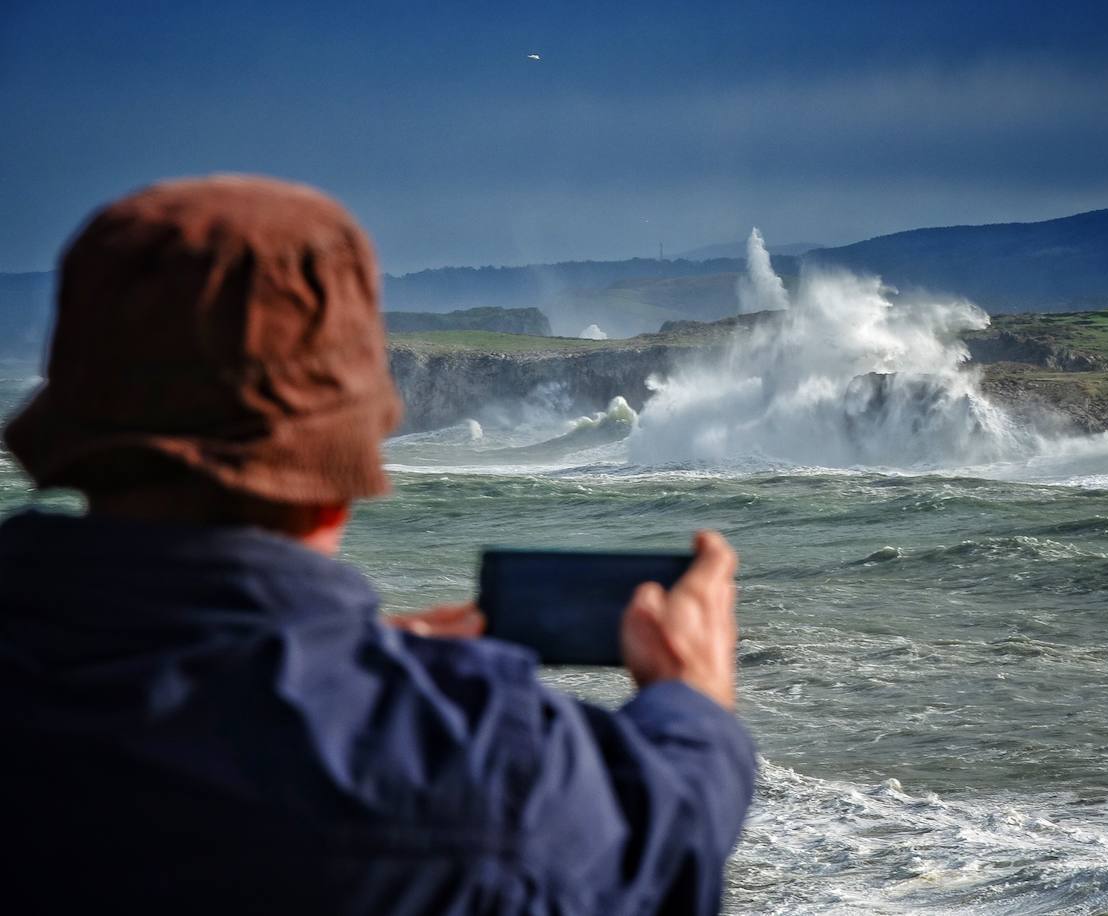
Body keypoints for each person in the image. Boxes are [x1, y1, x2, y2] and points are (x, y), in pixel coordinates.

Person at [0, 176, 755, 915]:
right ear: (341, 470)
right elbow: (656, 859)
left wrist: (304, 659)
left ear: (77, 434)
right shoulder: (465, 759)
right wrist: (691, 705)